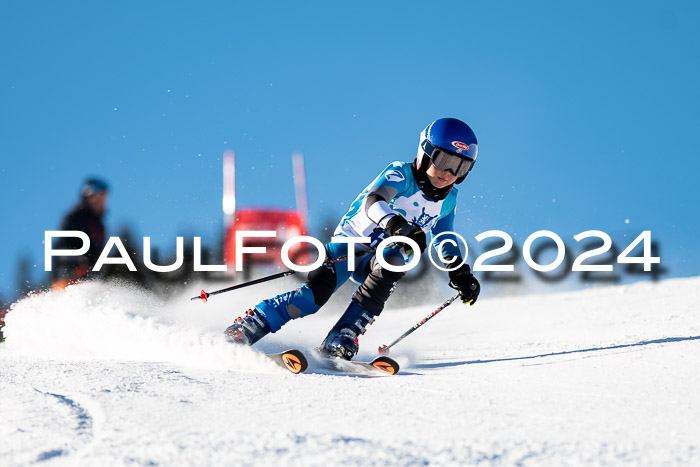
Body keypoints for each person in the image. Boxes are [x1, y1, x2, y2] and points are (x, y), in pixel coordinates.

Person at [224, 118, 481, 360]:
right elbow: (374, 201)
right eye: (444, 159)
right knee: (310, 301)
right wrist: (397, 225)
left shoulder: (449, 199)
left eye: (460, 166)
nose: (449, 172)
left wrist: (459, 271)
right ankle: (251, 323)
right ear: (425, 152)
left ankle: (343, 335)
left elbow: (444, 236)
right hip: (348, 248)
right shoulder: (401, 174)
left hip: (379, 259)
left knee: (396, 259)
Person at [51, 178, 110, 288]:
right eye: (97, 198)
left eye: (103, 199)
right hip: (71, 272)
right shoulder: (74, 217)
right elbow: (66, 243)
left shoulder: (99, 225)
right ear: (88, 198)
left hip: (91, 276)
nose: (101, 202)